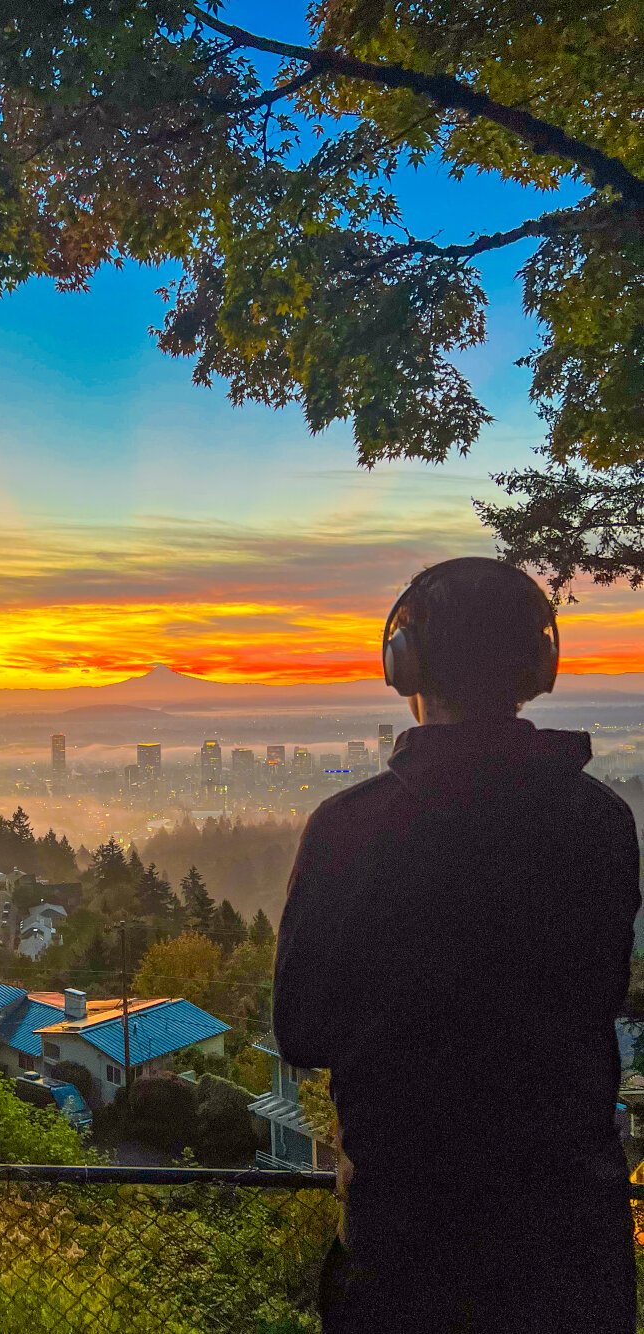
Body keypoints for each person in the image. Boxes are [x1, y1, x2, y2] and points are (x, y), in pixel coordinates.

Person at [274, 557, 640, 1333]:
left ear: (402, 663)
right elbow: (599, 991)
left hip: (408, 1231)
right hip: (569, 1229)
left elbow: (301, 1030)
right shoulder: (599, 822)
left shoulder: (351, 828)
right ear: (538, 665)